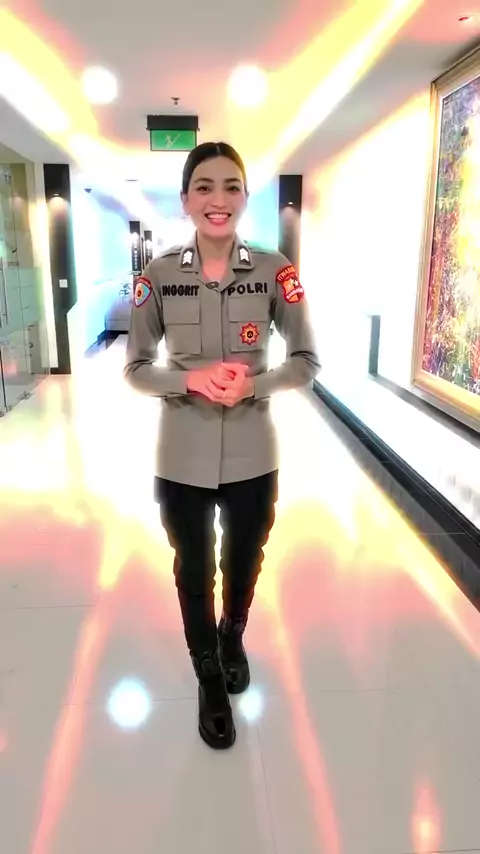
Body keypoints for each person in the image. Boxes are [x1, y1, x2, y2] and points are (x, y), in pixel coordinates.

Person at [124, 142, 320, 750]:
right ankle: (209, 675)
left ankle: (233, 634)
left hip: (253, 453)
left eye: (231, 186)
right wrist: (188, 379)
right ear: (186, 200)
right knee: (192, 567)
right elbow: (135, 369)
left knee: (244, 558)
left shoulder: (274, 270)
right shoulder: (158, 276)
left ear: (245, 197)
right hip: (181, 454)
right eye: (204, 187)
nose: (218, 199)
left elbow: (306, 361)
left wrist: (254, 384)